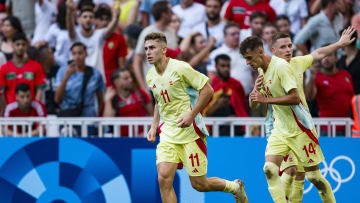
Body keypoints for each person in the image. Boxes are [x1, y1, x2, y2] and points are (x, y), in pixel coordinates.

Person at [145, 32, 248, 203]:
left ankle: (235, 187)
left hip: (190, 133)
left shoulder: (180, 68)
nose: (148, 52)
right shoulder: (150, 75)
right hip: (168, 133)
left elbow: (207, 90)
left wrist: (191, 115)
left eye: (152, 48)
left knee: (200, 184)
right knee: (163, 179)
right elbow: (159, 100)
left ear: (163, 50)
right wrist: (154, 125)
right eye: (146, 48)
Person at [266, 29, 355, 202]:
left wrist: (339, 44)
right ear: (273, 50)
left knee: (309, 176)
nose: (288, 50)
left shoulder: (298, 63)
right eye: (283, 47)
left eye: (290, 46)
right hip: (280, 130)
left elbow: (319, 53)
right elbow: (257, 97)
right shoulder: (267, 69)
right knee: (279, 170)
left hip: (303, 129)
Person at [306, 45, 354, 137]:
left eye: (329, 55)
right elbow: (309, 96)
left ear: (336, 58)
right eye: (323, 56)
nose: (326, 59)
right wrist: (311, 76)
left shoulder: (346, 75)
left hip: (348, 126)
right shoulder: (317, 77)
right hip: (326, 128)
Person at [66, 0, 120, 82]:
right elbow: (70, 28)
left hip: (96, 80)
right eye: (85, 17)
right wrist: (69, 11)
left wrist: (116, 17)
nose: (88, 19)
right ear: (79, 20)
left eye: (91, 17)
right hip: (77, 80)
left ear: (94, 20)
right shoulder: (75, 35)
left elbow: (110, 29)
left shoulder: (99, 35)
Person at [133, 0, 178, 92]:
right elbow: (137, 60)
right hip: (154, 87)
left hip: (172, 85)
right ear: (164, 14)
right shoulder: (147, 32)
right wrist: (143, 87)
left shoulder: (172, 31)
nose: (172, 14)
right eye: (170, 12)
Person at [203, 54, 248, 136]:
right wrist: (218, 105)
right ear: (216, 67)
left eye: (228, 66)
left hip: (235, 129)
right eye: (223, 66)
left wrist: (235, 117)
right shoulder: (210, 87)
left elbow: (243, 109)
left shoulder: (237, 85)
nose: (226, 69)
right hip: (215, 130)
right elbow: (205, 113)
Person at [0, 32, 46, 108]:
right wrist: (4, 112)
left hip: (30, 112)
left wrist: (35, 111)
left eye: (23, 44)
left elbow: (39, 91)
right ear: (12, 45)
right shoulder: (4, 68)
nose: (20, 47)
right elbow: (2, 93)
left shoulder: (36, 66)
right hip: (11, 113)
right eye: (17, 44)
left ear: (27, 46)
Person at [103, 69, 153, 136]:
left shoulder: (140, 93)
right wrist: (108, 100)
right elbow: (107, 121)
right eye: (126, 78)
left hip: (141, 139)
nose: (131, 80)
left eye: (130, 77)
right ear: (116, 82)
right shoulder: (112, 98)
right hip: (120, 141)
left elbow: (152, 115)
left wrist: (147, 133)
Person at [207, 23, 253, 95]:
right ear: (225, 36)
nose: (236, 36)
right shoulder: (216, 53)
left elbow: (255, 72)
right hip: (227, 98)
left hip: (249, 96)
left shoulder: (247, 52)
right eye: (233, 34)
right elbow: (212, 76)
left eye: (238, 34)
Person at [94, 6, 128, 87]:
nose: (105, 23)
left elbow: (122, 66)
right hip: (93, 82)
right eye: (101, 19)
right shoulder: (90, 37)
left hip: (112, 83)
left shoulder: (119, 39)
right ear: (95, 20)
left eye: (107, 19)